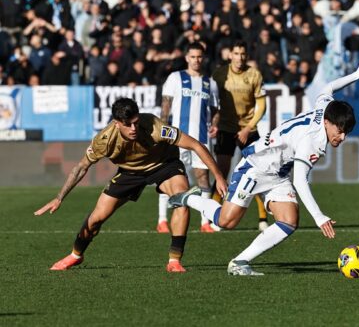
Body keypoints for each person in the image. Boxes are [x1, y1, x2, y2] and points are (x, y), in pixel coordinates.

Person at [169, 58, 359, 276]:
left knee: (289, 220)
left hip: (277, 172)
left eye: (346, 133)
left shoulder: (326, 108)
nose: (342, 137)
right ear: (327, 122)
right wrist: (318, 216)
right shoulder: (312, 141)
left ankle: (240, 262)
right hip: (256, 166)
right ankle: (188, 198)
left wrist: (358, 74)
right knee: (226, 221)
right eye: (340, 130)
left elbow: (328, 88)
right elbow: (300, 180)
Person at [34, 98, 227, 273]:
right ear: (117, 124)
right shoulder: (104, 140)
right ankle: (76, 255)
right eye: (128, 125)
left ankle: (174, 261)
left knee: (181, 200)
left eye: (136, 122)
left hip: (164, 165)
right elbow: (81, 167)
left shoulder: (154, 125)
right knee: (95, 219)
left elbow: (195, 145)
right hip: (129, 173)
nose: (134, 128)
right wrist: (59, 197)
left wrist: (218, 176)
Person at [157, 42, 220, 234]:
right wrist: (162, 130)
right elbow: (165, 105)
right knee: (170, 175)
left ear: (203, 58)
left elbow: (216, 109)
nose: (196, 60)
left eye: (199, 57)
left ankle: (205, 222)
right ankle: (162, 220)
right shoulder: (176, 78)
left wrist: (215, 124)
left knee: (203, 177)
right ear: (187, 58)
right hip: (177, 138)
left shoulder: (211, 83)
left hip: (201, 138)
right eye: (193, 56)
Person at [211, 40, 269, 231]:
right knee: (221, 171)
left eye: (243, 54)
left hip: (248, 130)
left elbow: (262, 105)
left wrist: (248, 128)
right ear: (230, 55)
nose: (240, 58)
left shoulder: (254, 74)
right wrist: (214, 122)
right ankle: (214, 217)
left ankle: (262, 219)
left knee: (257, 172)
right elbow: (213, 103)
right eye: (236, 53)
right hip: (226, 129)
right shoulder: (219, 74)